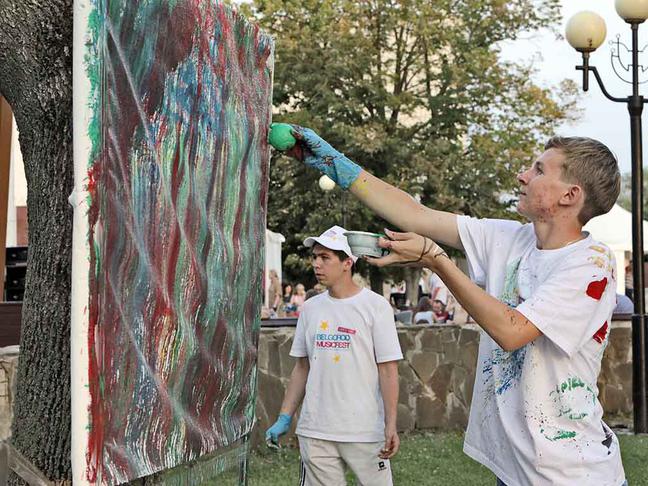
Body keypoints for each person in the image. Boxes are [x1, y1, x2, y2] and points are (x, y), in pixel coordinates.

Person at [282, 126, 626, 485]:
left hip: (574, 473)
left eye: (539, 170)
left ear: (570, 195)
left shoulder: (591, 263)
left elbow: (512, 331)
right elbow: (414, 214)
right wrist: (331, 162)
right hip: (517, 472)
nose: (522, 175)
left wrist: (436, 260)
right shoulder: (508, 238)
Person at [265, 225, 402, 485]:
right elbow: (301, 368)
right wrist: (285, 416)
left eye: (325, 257)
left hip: (364, 431)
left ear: (347, 263)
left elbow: (388, 370)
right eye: (315, 256)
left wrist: (390, 424)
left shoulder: (376, 307)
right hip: (315, 431)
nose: (316, 264)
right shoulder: (310, 308)